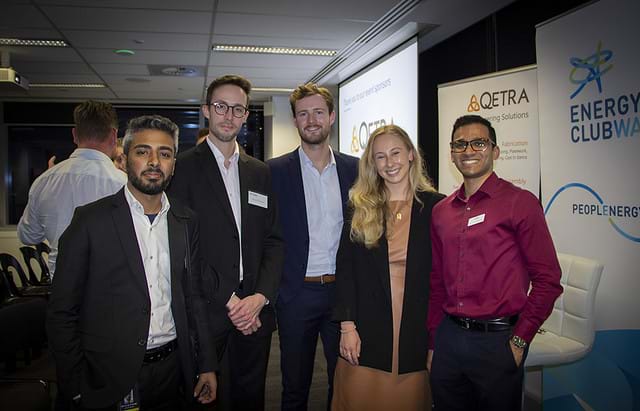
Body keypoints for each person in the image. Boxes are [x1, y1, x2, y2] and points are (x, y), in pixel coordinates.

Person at [47, 115, 218, 410]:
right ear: (124, 160)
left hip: (173, 370)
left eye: (165, 154)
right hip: (108, 376)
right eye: (142, 151)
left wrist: (206, 364)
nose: (154, 162)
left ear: (174, 164)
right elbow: (62, 311)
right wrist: (74, 385)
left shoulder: (186, 220)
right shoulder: (89, 221)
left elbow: (194, 298)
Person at [427, 114, 563, 411]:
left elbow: (548, 280)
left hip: (498, 341)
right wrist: (434, 341)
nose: (468, 150)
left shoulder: (520, 203)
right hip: (449, 338)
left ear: (495, 151)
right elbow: (437, 281)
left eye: (479, 143)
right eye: (460, 144)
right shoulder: (441, 211)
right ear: (452, 153)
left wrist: (520, 340)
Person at [168, 74, 284, 410]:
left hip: (255, 314)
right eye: (221, 106)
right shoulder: (181, 169)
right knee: (209, 400)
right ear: (206, 110)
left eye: (238, 109)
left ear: (246, 115)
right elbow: (183, 250)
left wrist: (260, 296)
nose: (229, 115)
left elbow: (274, 240)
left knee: (251, 398)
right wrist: (231, 300)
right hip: (208, 314)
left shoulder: (259, 172)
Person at [332, 125, 444, 411]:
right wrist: (347, 326)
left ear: (411, 155)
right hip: (366, 325)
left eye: (395, 153)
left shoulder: (437, 207)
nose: (389, 163)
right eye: (380, 156)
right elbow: (345, 271)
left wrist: (438, 339)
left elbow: (444, 278)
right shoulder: (361, 207)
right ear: (372, 163)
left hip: (415, 328)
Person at [268, 83, 358, 410]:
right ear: (294, 120)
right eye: (303, 114)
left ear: (331, 116)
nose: (311, 120)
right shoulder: (273, 172)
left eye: (318, 112)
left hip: (343, 294)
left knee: (345, 383)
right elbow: (267, 236)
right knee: (294, 387)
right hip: (296, 294)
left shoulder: (356, 169)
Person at [17, 100, 127, 276]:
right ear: (114, 136)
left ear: (75, 134)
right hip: (108, 280)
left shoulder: (44, 181)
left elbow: (28, 236)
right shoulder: (123, 184)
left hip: (60, 280)